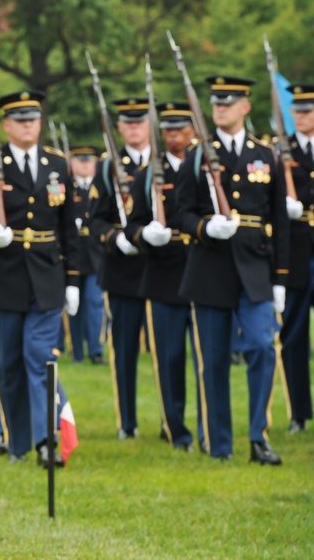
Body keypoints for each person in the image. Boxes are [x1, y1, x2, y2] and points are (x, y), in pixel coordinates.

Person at [0, 90, 80, 467]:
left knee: (41, 355)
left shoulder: (57, 165)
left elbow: (69, 229)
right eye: (20, 118)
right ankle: (17, 442)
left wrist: (74, 279)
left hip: (46, 275)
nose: (29, 124)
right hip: (3, 276)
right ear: (6, 125)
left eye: (33, 117)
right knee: (9, 363)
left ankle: (48, 439)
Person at [177, 75, 288, 464]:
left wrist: (281, 278)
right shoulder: (197, 156)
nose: (221, 108)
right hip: (210, 268)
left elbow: (279, 220)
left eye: (229, 102)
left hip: (255, 269)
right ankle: (219, 442)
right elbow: (182, 212)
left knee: (262, 346)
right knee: (214, 359)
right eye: (216, 103)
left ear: (246, 106)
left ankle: (258, 436)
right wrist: (205, 226)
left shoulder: (266, 155)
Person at [124, 102, 198, 450]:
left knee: (204, 357)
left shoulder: (206, 168)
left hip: (202, 272)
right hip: (164, 273)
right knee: (168, 358)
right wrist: (145, 235)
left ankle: (210, 426)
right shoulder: (148, 174)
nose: (173, 135)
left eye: (180, 128)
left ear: (193, 129)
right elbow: (132, 225)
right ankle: (174, 427)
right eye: (167, 129)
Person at [89, 96, 151, 440]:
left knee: (168, 354)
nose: (134, 128)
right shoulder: (107, 166)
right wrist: (116, 239)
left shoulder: (166, 162)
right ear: (119, 128)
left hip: (161, 268)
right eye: (127, 123)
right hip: (123, 269)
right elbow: (95, 221)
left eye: (139, 121)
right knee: (124, 350)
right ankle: (128, 421)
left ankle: (170, 419)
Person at [278, 83, 314, 433]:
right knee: (292, 337)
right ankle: (298, 413)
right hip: (292, 254)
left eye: (308, 110)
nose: (302, 116)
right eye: (297, 110)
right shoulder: (281, 149)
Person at [68, 146, 106, 365]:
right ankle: (77, 351)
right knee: (74, 305)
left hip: (94, 254)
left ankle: (96, 349)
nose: (84, 165)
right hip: (74, 254)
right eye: (80, 161)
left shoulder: (100, 186)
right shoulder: (65, 187)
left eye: (88, 161)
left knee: (94, 302)